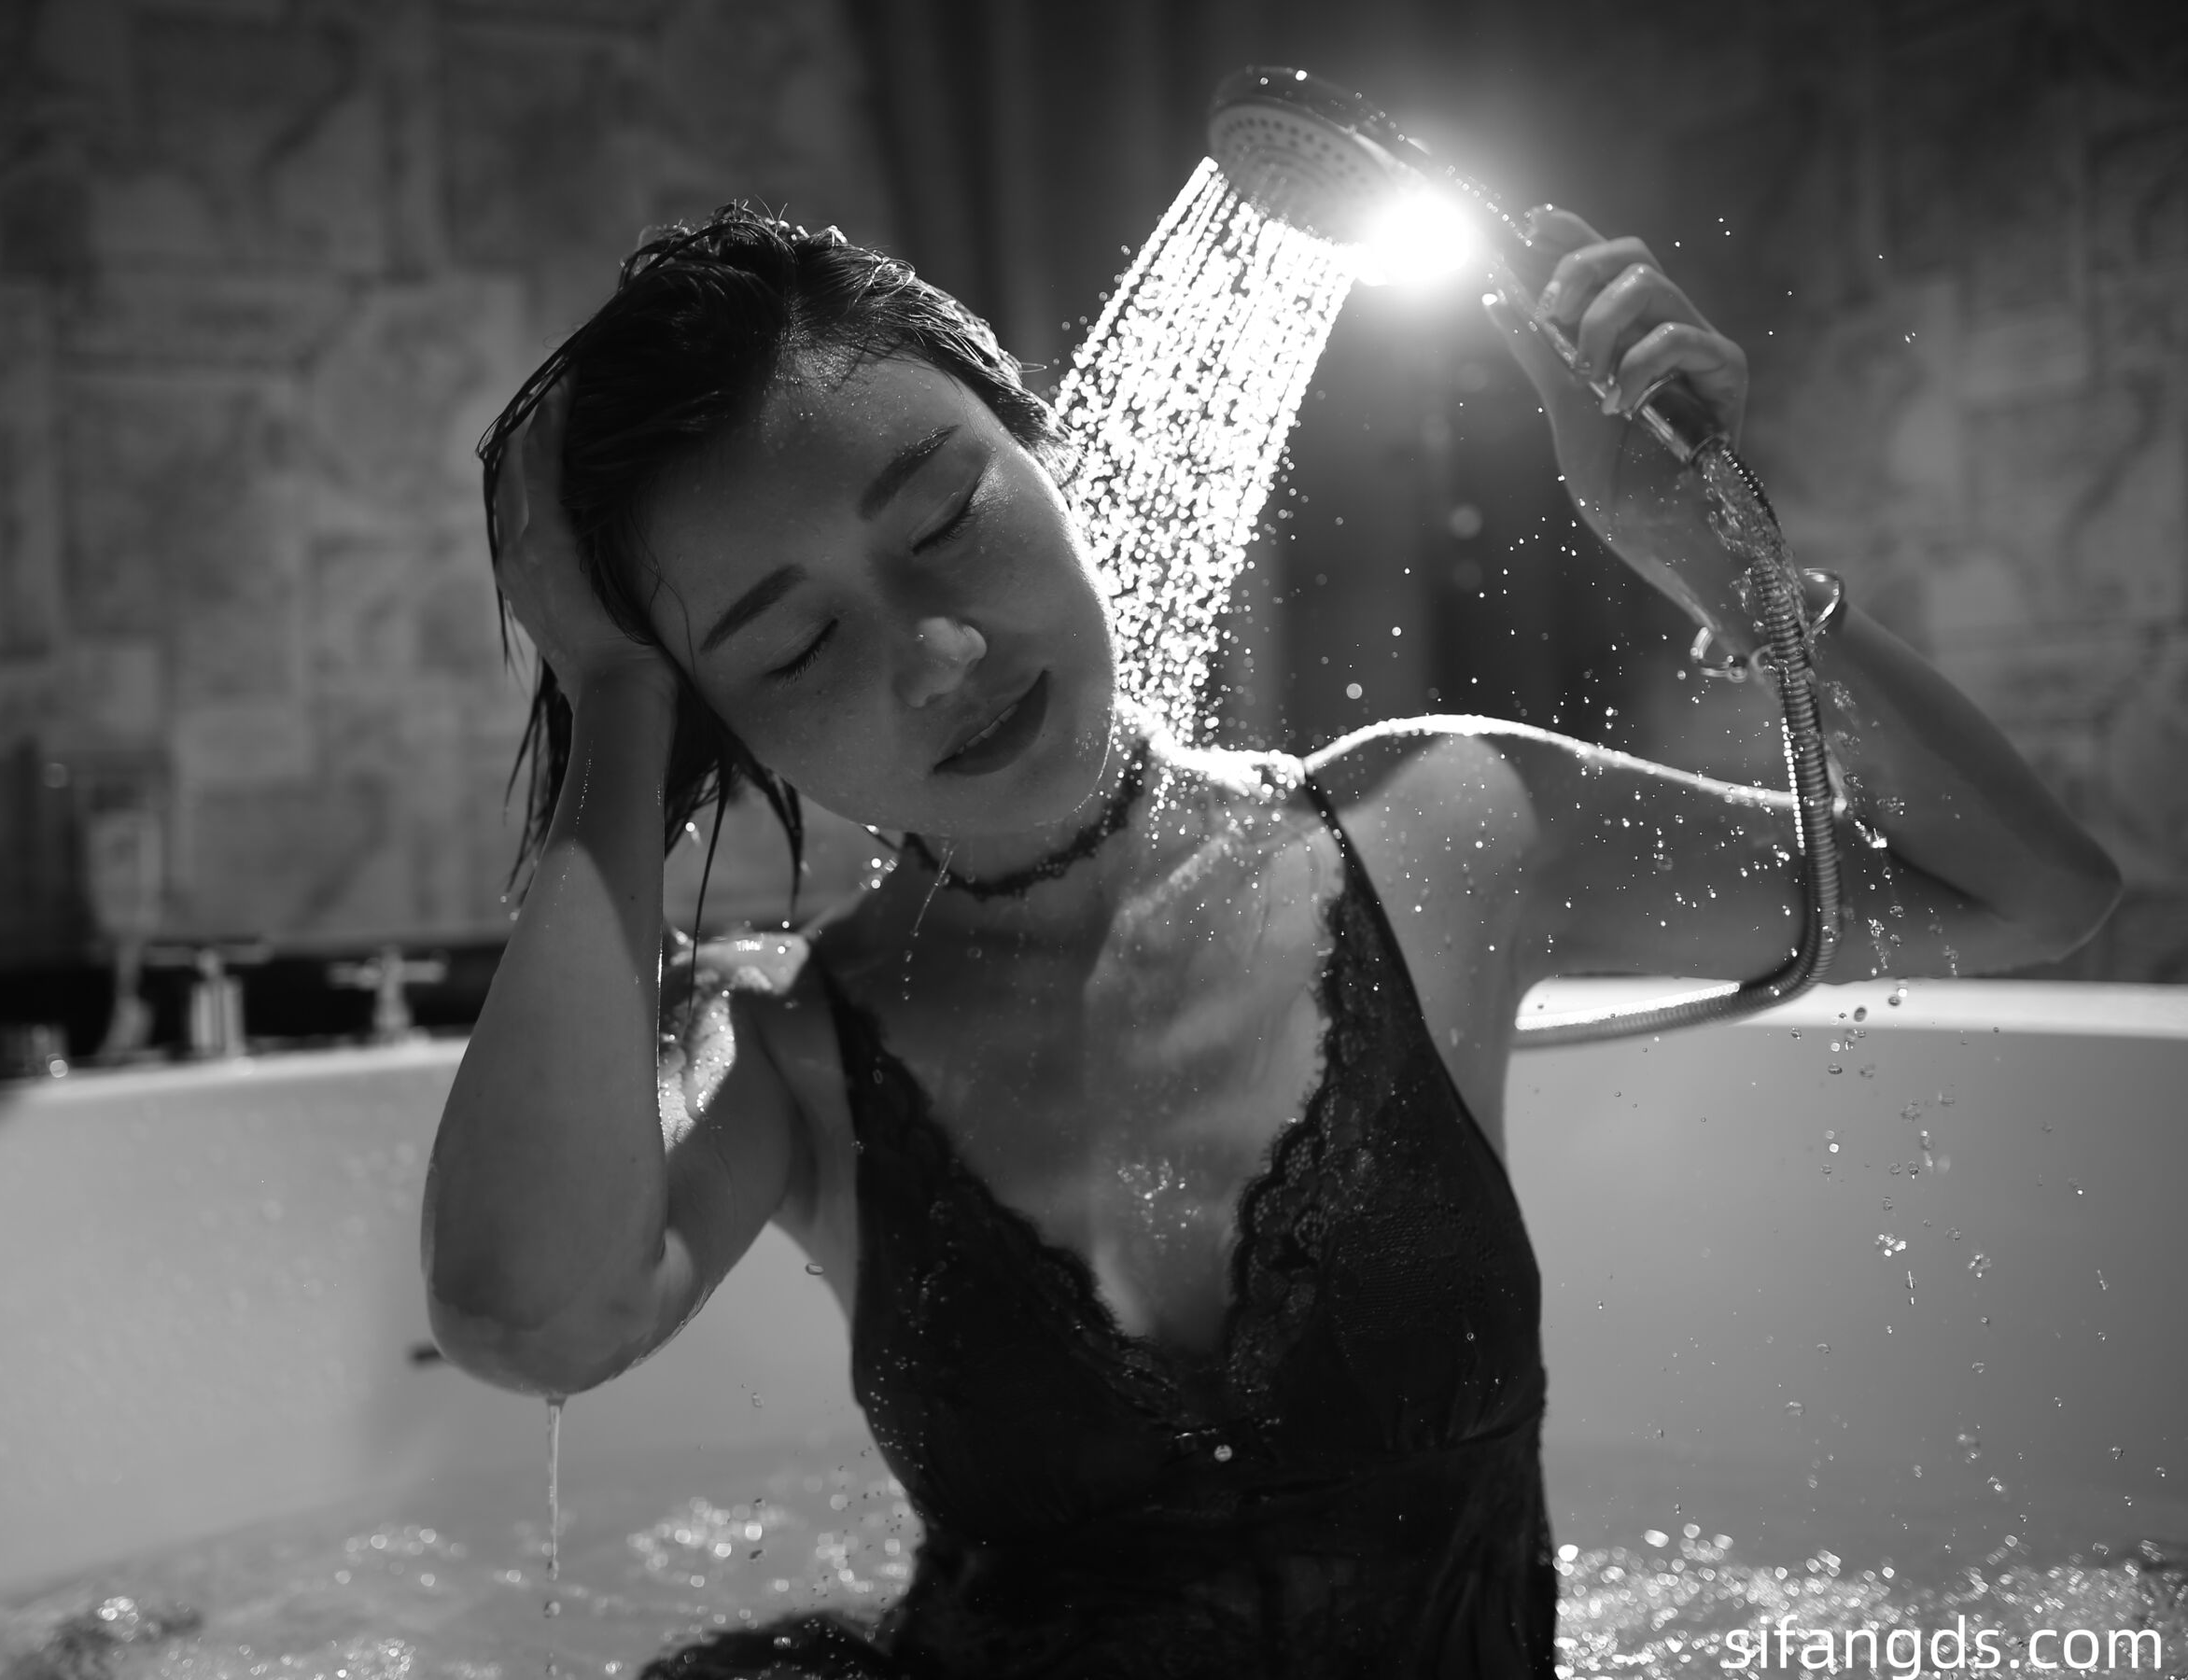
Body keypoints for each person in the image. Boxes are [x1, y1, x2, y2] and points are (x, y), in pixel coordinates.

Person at [421, 204, 2118, 1678]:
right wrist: (613, 704)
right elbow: (533, 1322)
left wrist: (1704, 549)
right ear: (728, 726)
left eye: (945, 519)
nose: (937, 653)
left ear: (1048, 451)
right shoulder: (789, 1042)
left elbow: (2029, 894)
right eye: (792, 650)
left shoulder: (1437, 832)